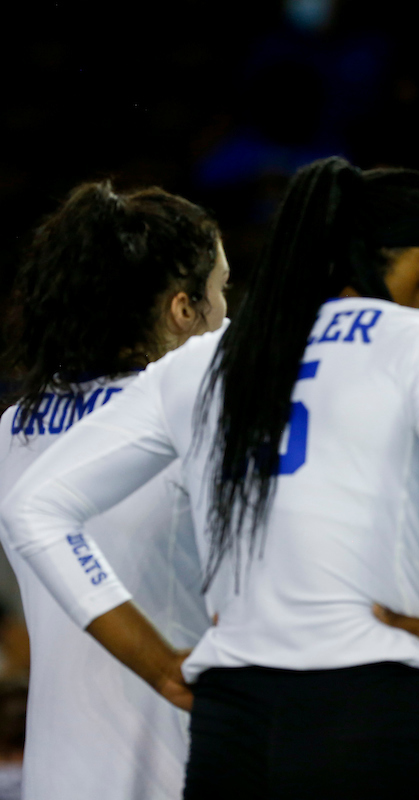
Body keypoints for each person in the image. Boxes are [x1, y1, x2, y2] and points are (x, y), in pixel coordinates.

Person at [0, 156, 419, 799]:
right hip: (355, 706)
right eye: (221, 290)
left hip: (208, 732)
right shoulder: (405, 349)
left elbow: (35, 511)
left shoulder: (37, 420)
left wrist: (162, 667)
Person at [0, 181, 227, 800]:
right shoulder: (199, 416)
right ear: (184, 310)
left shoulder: (12, 430)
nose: (227, 313)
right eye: (220, 291)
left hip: (55, 776)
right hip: (183, 767)